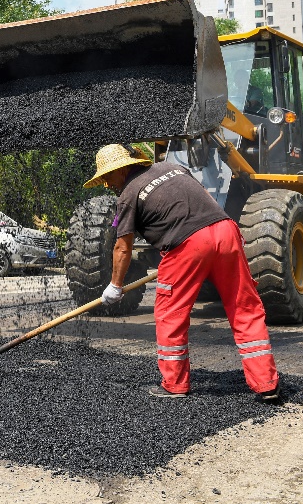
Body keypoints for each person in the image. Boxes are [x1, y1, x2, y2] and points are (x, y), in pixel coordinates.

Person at [85, 143, 281, 403]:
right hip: (225, 231)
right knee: (244, 308)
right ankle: (266, 383)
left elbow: (123, 246)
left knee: (170, 314)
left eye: (108, 176)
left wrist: (115, 285)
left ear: (122, 169)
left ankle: (175, 384)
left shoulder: (128, 194)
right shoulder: (172, 168)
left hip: (187, 244)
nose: (107, 184)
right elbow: (202, 202)